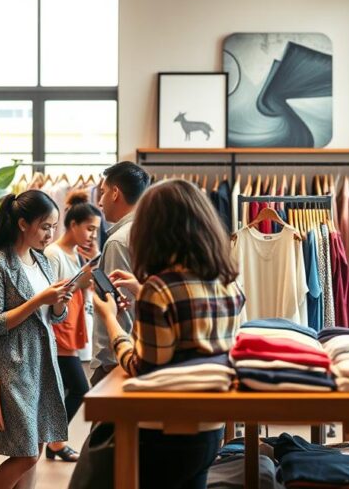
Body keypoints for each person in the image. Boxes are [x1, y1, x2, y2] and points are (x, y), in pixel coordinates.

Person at [91, 179, 245, 488]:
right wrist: (143, 290)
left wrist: (111, 321)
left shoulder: (160, 289)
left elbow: (144, 367)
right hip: (210, 426)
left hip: (164, 428)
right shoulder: (227, 283)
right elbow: (196, 344)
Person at [0, 190, 74, 489]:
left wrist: (59, 303)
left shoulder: (42, 261)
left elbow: (53, 318)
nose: (50, 234)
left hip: (42, 363)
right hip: (12, 366)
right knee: (26, 453)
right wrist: (39, 300)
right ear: (21, 224)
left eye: (54, 227)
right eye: (45, 227)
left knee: (37, 446)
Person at [43, 190, 101, 462]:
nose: (91, 235)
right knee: (79, 388)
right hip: (59, 330)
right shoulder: (53, 254)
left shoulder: (76, 254)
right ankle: (55, 441)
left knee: (68, 388)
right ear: (74, 225)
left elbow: (88, 285)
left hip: (71, 326)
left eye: (95, 230)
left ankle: (54, 440)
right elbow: (53, 293)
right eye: (89, 228)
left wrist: (94, 260)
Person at [89, 161, 151, 386]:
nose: (100, 201)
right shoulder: (150, 230)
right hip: (146, 351)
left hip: (119, 360)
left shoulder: (118, 241)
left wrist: (112, 361)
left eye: (103, 192)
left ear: (116, 193)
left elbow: (120, 307)